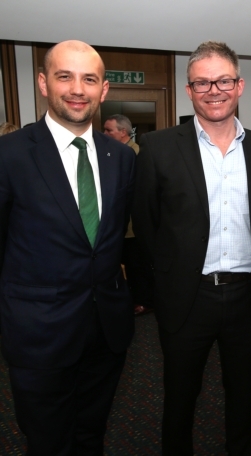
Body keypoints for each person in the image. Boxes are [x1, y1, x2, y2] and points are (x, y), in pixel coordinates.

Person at [0, 40, 136, 454]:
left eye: (89, 79)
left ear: (104, 90)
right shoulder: (4, 156)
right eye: (65, 76)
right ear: (43, 83)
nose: (78, 89)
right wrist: (29, 292)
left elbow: (111, 239)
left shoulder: (121, 157)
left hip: (106, 328)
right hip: (39, 330)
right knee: (48, 440)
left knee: (91, 432)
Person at [132, 41, 251, 455]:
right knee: (179, 398)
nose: (213, 90)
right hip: (186, 297)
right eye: (202, 83)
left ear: (240, 86)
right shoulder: (159, 147)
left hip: (246, 297)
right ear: (188, 90)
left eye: (223, 81)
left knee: (244, 395)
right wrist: (161, 287)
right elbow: (145, 225)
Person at [103, 114, 153, 316]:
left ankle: (143, 301)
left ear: (123, 132)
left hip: (134, 225)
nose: (104, 134)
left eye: (108, 130)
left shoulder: (138, 154)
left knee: (136, 266)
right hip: (118, 223)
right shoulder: (114, 153)